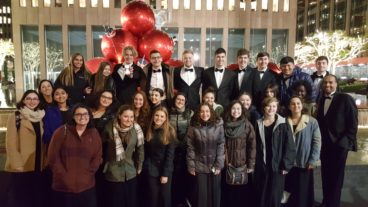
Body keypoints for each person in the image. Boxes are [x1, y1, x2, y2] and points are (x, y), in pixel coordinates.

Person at [47, 104, 102, 207]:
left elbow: (97, 156)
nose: (82, 117)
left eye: (85, 114)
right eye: (78, 114)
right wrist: (63, 175)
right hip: (63, 186)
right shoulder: (61, 132)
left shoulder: (94, 133)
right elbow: (53, 157)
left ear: (89, 116)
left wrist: (89, 173)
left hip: (86, 185)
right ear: (73, 116)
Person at [316, 75, 358, 207]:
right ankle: (326, 202)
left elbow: (353, 124)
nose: (327, 85)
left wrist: (344, 144)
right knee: (326, 176)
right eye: (325, 83)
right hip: (325, 146)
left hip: (339, 146)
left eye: (330, 82)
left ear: (336, 84)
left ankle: (333, 204)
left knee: (336, 178)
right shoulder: (321, 100)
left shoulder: (346, 98)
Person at [5, 90, 46, 207]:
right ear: (23, 100)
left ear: (39, 101)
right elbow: (10, 143)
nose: (32, 101)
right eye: (28, 98)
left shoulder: (41, 116)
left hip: (38, 162)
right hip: (22, 163)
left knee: (35, 194)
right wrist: (17, 163)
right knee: (22, 196)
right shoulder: (16, 115)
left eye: (35, 99)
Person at [253, 97, 296, 207]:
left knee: (275, 194)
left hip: (278, 165)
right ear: (264, 108)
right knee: (262, 193)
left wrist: (286, 165)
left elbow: (290, 145)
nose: (271, 108)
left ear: (277, 108)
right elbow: (255, 145)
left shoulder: (284, 123)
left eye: (274, 106)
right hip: (262, 165)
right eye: (268, 106)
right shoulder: (258, 123)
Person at [102, 105, 145, 207]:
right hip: (113, 171)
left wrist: (139, 166)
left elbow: (140, 149)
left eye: (131, 117)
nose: (129, 119)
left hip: (130, 171)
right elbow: (101, 147)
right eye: (126, 116)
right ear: (119, 116)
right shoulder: (109, 128)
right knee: (115, 202)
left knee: (131, 201)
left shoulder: (136, 129)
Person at [284, 96, 321, 207]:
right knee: (288, 192)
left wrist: (313, 160)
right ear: (289, 106)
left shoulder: (312, 122)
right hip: (288, 164)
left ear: (302, 105)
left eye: (298, 103)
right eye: (293, 104)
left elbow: (317, 142)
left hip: (304, 163)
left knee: (303, 193)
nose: (296, 106)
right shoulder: (284, 121)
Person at [186, 103, 225, 207]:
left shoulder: (218, 125)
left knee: (215, 196)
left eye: (207, 111)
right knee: (201, 197)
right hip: (199, 166)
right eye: (202, 111)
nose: (204, 114)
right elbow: (190, 148)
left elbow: (221, 145)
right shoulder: (193, 127)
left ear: (211, 112)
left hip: (215, 166)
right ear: (198, 113)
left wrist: (219, 165)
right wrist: (191, 166)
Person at [222, 100, 256, 207]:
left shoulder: (247, 125)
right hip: (227, 164)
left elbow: (252, 146)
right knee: (227, 192)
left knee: (241, 194)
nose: (235, 111)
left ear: (242, 110)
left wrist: (251, 165)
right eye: (233, 108)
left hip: (242, 164)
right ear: (229, 110)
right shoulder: (223, 124)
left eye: (238, 109)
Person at [144, 107, 177, 207]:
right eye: (157, 115)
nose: (159, 118)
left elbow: (170, 155)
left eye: (162, 116)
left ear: (166, 118)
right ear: (153, 116)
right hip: (151, 168)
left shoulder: (170, 131)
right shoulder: (149, 129)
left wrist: (165, 174)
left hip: (165, 169)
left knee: (164, 198)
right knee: (153, 198)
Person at [169, 93, 194, 206]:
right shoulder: (169, 113)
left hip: (186, 150)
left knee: (185, 177)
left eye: (182, 100)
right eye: (178, 99)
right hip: (172, 149)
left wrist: (183, 143)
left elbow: (191, 131)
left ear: (185, 102)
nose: (180, 101)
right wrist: (174, 143)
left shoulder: (190, 113)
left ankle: (184, 200)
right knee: (174, 177)